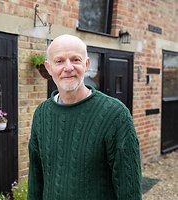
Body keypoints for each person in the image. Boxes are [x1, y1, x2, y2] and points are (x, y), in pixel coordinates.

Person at [28, 34, 142, 200]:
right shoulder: (42, 114)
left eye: (75, 59)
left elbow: (129, 190)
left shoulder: (115, 115)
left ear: (87, 64)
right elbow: (36, 180)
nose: (68, 68)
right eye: (59, 61)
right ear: (49, 67)